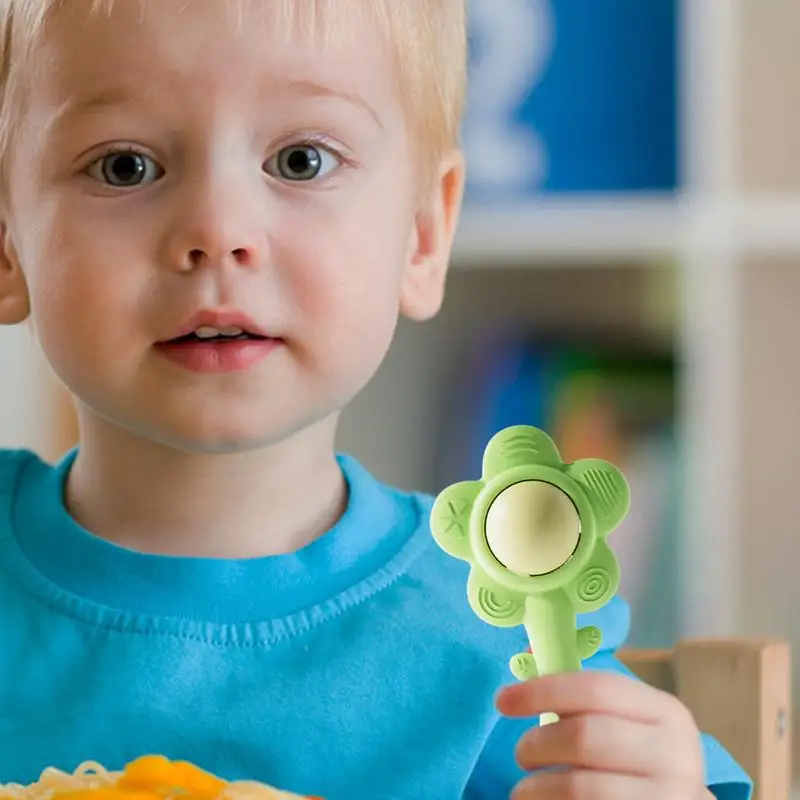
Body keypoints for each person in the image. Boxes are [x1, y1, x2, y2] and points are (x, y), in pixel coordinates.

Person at [0, 1, 750, 798]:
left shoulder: (511, 631)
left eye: (300, 162)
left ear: (425, 232)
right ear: (8, 241)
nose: (217, 230)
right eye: (125, 166)